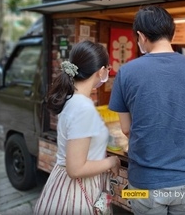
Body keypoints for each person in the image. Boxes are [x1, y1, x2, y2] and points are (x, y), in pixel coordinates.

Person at [108, 5, 185, 215]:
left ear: (141, 36)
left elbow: (126, 128)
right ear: (171, 33)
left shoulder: (126, 72)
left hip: (143, 182)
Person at [34, 40, 120, 215]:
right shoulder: (83, 108)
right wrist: (112, 161)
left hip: (64, 185)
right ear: (101, 71)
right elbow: (76, 169)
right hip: (75, 195)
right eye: (107, 69)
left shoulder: (72, 99)